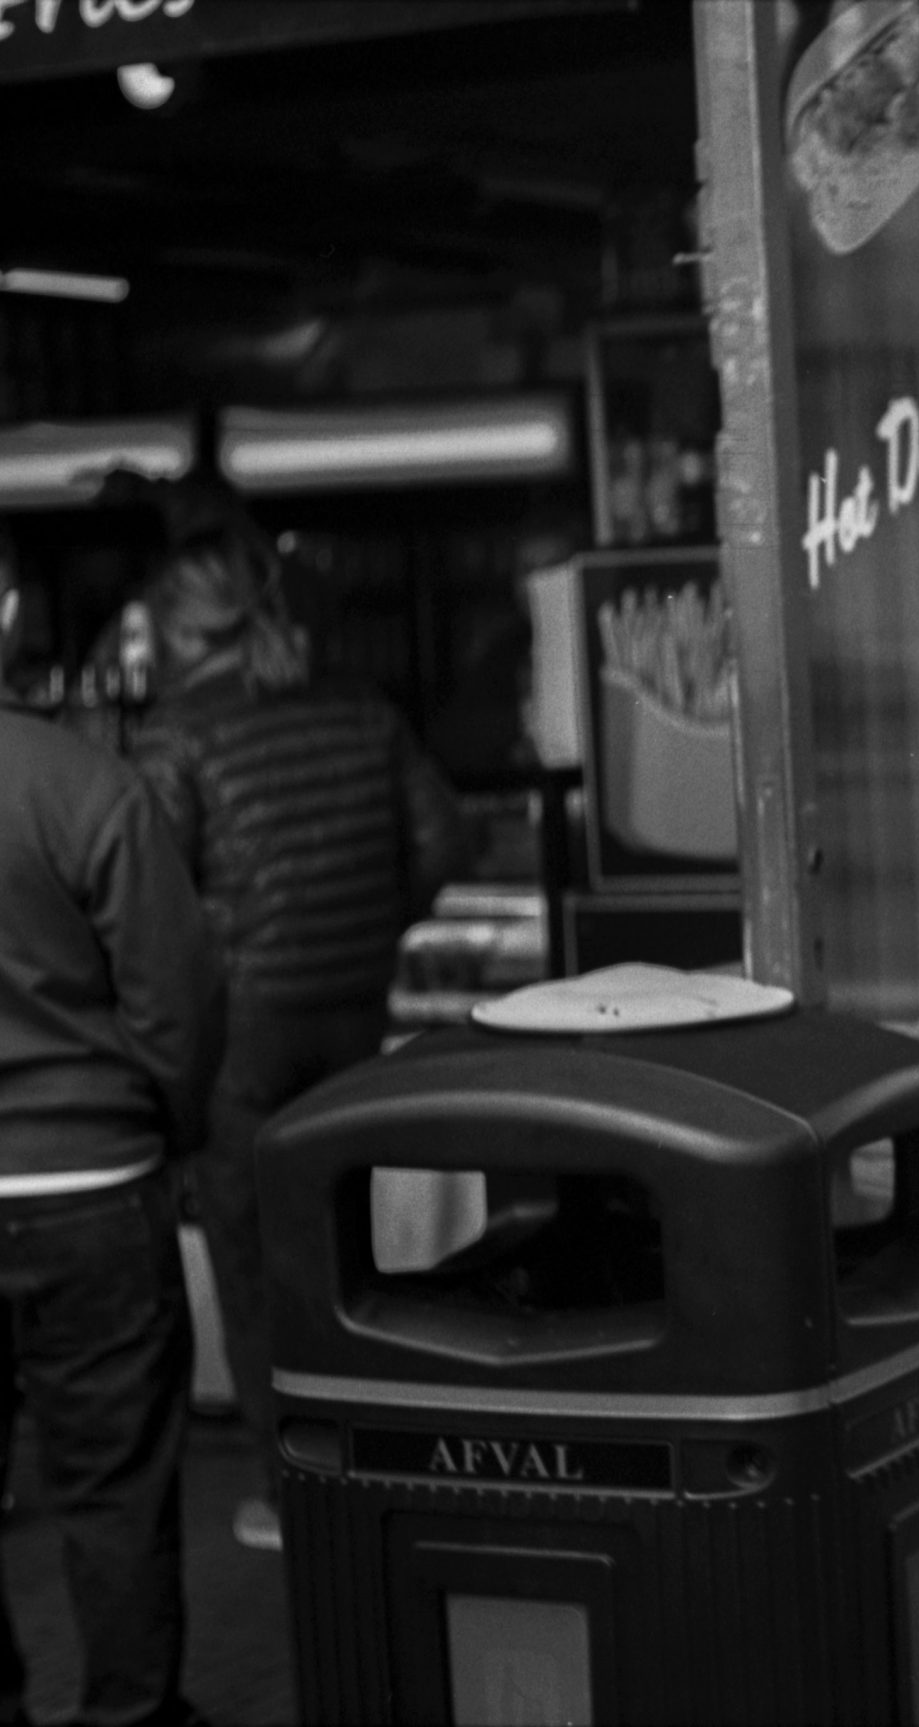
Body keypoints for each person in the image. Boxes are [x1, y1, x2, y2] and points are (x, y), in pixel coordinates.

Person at [129, 529, 469, 1553]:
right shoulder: (360, 708)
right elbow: (443, 839)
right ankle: (377, 1452)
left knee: (248, 1252)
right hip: (352, 1011)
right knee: (347, 1240)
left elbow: (146, 904)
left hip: (238, 1030)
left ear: (190, 631)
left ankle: (292, 1490)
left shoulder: (175, 737)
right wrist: (371, 931)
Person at [1, 536, 225, 1727]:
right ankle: (131, 1714)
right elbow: (176, 1001)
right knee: (115, 1489)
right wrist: (173, 1131)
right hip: (92, 1184)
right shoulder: (84, 783)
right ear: (7, 612)